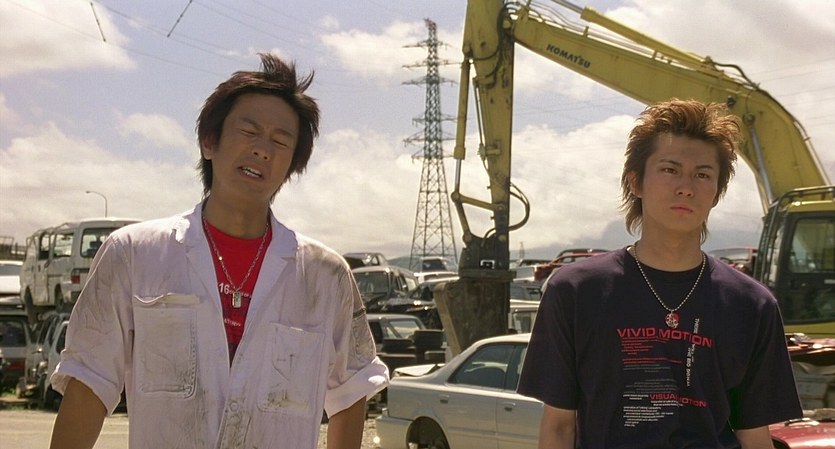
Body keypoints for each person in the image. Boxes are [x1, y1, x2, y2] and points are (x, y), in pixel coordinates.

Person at [49, 53, 389, 449]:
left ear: (292, 164)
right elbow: (89, 381)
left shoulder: (325, 275)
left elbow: (350, 391)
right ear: (209, 142)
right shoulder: (134, 255)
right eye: (249, 131)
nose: (263, 149)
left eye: (280, 141)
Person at [517, 99, 802, 449]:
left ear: (716, 193)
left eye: (702, 174)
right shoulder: (575, 291)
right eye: (670, 169)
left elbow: (755, 436)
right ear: (635, 182)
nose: (686, 187)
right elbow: (559, 427)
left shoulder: (752, 305)